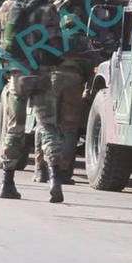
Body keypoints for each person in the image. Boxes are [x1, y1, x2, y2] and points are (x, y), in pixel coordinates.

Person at [0, 0, 97, 203]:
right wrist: (84, 55)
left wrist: (2, 66)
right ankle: (54, 179)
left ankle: (7, 183)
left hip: (16, 78)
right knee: (49, 129)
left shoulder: (5, 7)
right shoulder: (48, 10)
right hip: (42, 77)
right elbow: (55, 46)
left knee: (14, 130)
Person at [33, 13, 96, 185]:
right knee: (69, 129)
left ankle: (41, 170)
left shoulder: (52, 38)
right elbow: (91, 65)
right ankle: (63, 172)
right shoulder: (83, 40)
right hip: (73, 80)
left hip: (50, 79)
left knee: (44, 125)